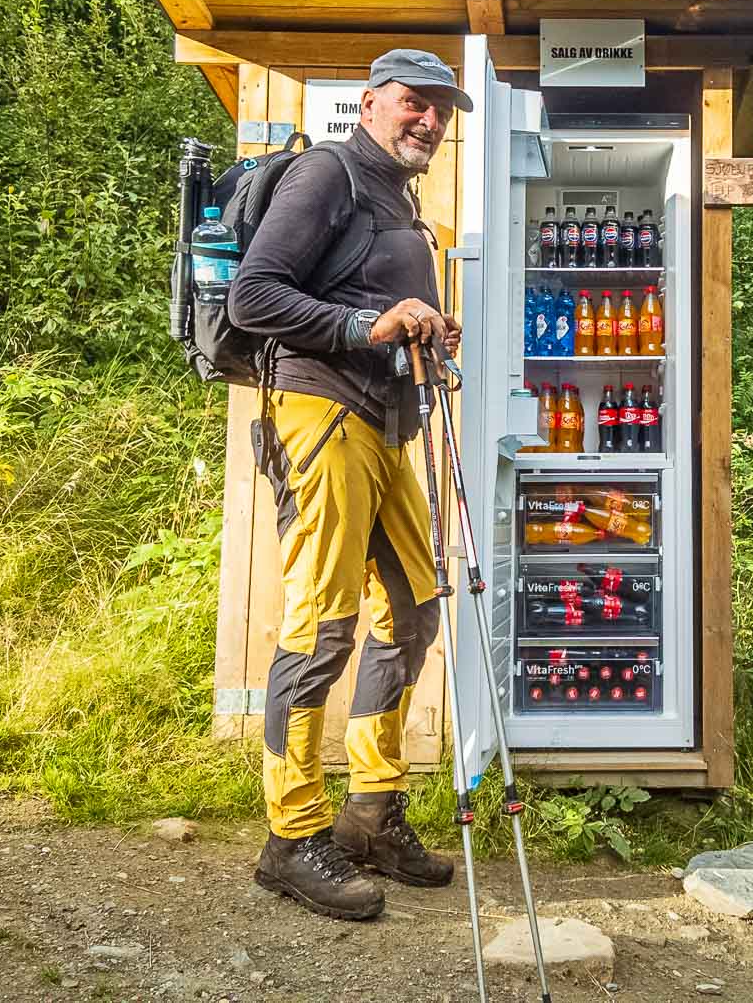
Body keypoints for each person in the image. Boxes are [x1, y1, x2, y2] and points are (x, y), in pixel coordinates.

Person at [225, 48, 473, 921]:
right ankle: (291, 837)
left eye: (441, 110)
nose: (429, 120)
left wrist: (421, 328)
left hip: (385, 424)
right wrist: (370, 324)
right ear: (370, 104)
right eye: (414, 102)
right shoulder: (327, 173)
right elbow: (253, 297)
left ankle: (370, 813)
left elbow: (374, 309)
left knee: (411, 608)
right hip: (322, 413)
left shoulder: (397, 196)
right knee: (323, 624)